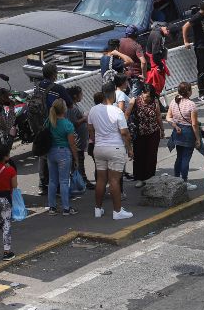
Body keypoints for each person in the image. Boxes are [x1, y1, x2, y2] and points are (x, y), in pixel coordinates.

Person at [89, 82, 134, 220]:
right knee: (114, 180)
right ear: (113, 94)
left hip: (99, 148)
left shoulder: (93, 110)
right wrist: (130, 149)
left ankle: (98, 209)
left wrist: (96, 140)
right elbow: (125, 133)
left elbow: (90, 129)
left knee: (101, 180)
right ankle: (117, 211)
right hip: (115, 148)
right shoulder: (117, 111)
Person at [34, 63, 74, 196]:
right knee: (55, 154)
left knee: (43, 155)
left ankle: (42, 185)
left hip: (39, 125)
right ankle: (57, 187)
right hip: (53, 124)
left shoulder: (38, 86)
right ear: (54, 74)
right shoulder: (58, 89)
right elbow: (69, 103)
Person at [126, 84, 164, 188]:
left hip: (153, 132)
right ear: (142, 93)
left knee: (151, 156)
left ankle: (150, 178)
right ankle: (140, 178)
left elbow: (158, 116)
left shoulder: (154, 101)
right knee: (139, 156)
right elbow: (126, 114)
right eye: (147, 96)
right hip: (139, 133)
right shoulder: (134, 101)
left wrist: (162, 129)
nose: (148, 99)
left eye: (150, 96)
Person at [46, 99, 80, 216]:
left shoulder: (50, 121)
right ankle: (66, 208)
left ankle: (52, 207)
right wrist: (76, 158)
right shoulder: (67, 124)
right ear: (64, 109)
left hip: (51, 152)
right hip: (64, 153)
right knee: (64, 181)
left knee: (52, 181)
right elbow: (72, 144)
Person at [166, 83, 202, 191]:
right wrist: (198, 139)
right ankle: (184, 181)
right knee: (186, 158)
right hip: (188, 132)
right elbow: (194, 124)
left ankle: (177, 178)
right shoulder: (191, 105)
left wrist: (175, 126)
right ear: (189, 92)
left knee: (179, 156)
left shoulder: (174, 101)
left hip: (178, 132)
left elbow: (168, 117)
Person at [67, 86, 90, 185]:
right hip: (77, 140)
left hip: (80, 139)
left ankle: (80, 179)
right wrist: (84, 119)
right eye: (81, 94)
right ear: (75, 96)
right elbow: (73, 123)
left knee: (80, 159)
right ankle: (82, 180)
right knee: (79, 160)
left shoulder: (75, 106)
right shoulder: (72, 108)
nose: (82, 95)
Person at [119, 25, 147, 97]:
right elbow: (143, 62)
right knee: (135, 98)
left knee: (143, 93)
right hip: (136, 75)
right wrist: (144, 75)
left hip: (127, 74)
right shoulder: (136, 46)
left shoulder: (120, 41)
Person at [145, 23, 171, 95]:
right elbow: (155, 54)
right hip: (155, 64)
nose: (168, 35)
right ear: (166, 29)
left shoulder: (157, 31)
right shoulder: (158, 36)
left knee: (157, 84)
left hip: (155, 62)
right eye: (169, 33)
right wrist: (160, 65)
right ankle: (156, 102)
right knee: (157, 85)